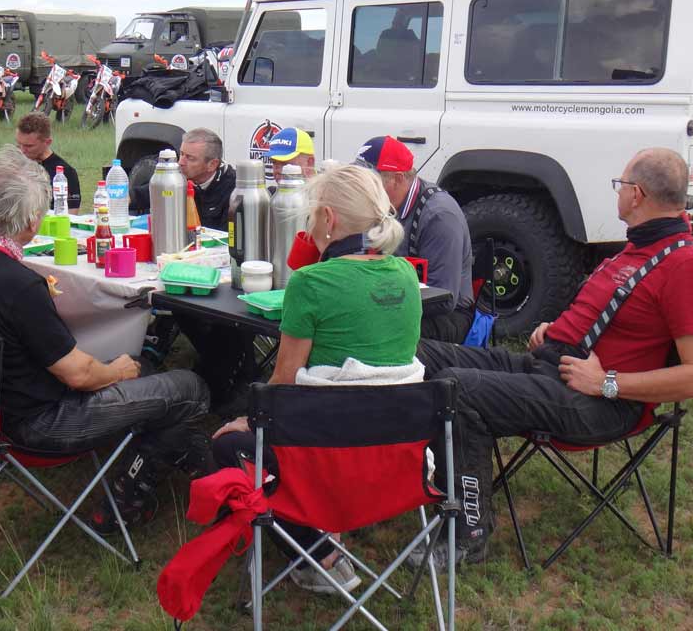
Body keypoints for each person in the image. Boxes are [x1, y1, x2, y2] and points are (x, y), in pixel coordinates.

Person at [0, 146, 212, 534]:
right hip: (40, 425)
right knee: (189, 386)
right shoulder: (18, 284)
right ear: (33, 220)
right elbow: (79, 376)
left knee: (147, 371)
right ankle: (128, 495)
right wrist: (115, 368)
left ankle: (186, 454)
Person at [414, 148, 693, 568]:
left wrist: (608, 383)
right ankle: (398, 477)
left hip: (598, 403)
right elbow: (607, 311)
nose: (616, 192)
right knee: (423, 355)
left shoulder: (681, 263)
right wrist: (557, 329)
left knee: (458, 389)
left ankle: (466, 536)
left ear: (636, 195)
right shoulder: (638, 247)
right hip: (552, 366)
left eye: (620, 185)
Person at [212, 164, 423, 594]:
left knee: (226, 444)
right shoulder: (405, 274)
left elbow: (283, 383)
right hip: (398, 457)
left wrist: (247, 423)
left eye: (311, 216)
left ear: (328, 218)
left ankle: (320, 556)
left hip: (326, 456)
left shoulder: (311, 282)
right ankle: (325, 538)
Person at [354, 135, 474, 343]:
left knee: (367, 328)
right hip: (396, 301)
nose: (363, 186)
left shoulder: (439, 216)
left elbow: (444, 298)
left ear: (398, 179)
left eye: (370, 179)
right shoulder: (381, 204)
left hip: (447, 317)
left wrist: (375, 304)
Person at [15, 113, 80, 213]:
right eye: (19, 144)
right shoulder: (13, 164)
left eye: (29, 146)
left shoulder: (66, 173)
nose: (22, 150)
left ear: (47, 142)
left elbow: (71, 215)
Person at [178, 128, 235, 231]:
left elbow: (227, 241)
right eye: (181, 154)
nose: (181, 162)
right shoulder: (175, 179)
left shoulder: (234, 191)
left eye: (190, 158)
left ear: (212, 165)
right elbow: (142, 196)